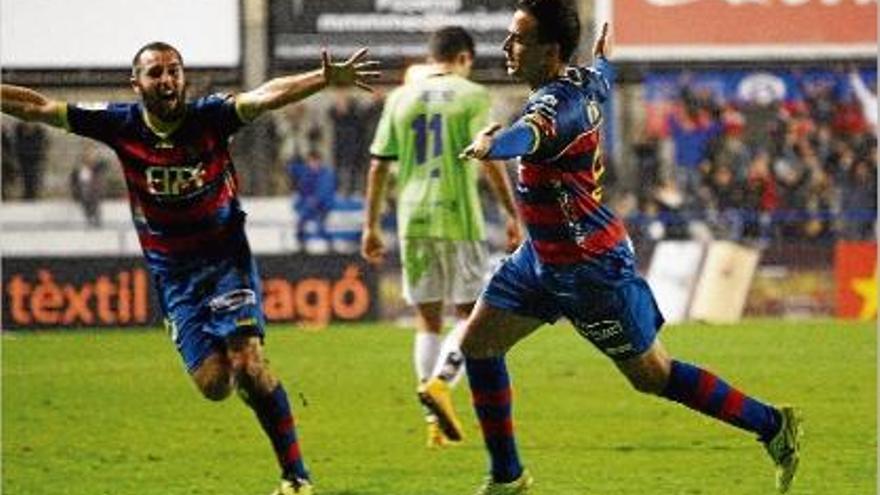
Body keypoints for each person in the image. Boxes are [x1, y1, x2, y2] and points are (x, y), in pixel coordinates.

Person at [1, 42, 378, 495]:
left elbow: (265, 94)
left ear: (184, 76)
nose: (166, 80)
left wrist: (322, 79)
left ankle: (296, 477)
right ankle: (249, 384)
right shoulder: (118, 124)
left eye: (174, 71)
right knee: (216, 384)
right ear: (136, 83)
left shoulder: (211, 117)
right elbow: (40, 107)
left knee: (249, 361)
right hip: (174, 274)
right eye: (155, 72)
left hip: (226, 259)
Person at [455, 2, 803, 493]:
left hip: (589, 269)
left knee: (652, 376)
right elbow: (600, 77)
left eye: (517, 39)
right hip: (540, 258)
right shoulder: (582, 83)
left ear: (550, 51)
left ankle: (771, 424)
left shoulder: (556, 106)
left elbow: (528, 135)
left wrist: (495, 146)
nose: (506, 48)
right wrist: (607, 59)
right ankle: (507, 476)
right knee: (479, 345)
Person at [361, 26, 522, 448]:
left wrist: (371, 224)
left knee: (427, 319)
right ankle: (441, 384)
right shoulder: (470, 95)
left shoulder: (399, 97)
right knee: (469, 316)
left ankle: (432, 423)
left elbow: (378, 165)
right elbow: (488, 158)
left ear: (431, 57)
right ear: (465, 58)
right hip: (458, 216)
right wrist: (510, 213)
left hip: (412, 219)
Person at [287, 149, 337, 249]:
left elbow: (325, 191)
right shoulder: (307, 173)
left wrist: (315, 200)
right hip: (309, 206)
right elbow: (293, 169)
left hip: (322, 206)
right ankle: (301, 243)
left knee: (319, 224)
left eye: (315, 162)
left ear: (320, 162)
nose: (312, 164)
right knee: (302, 220)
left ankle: (329, 243)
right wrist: (293, 159)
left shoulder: (326, 174)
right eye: (310, 162)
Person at [70, 143, 110, 227]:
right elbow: (74, 182)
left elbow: (105, 166)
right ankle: (90, 214)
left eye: (91, 154)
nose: (89, 156)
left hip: (94, 191)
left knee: (93, 193)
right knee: (86, 192)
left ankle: (94, 215)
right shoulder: (79, 169)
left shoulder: (98, 167)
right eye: (87, 154)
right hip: (84, 192)